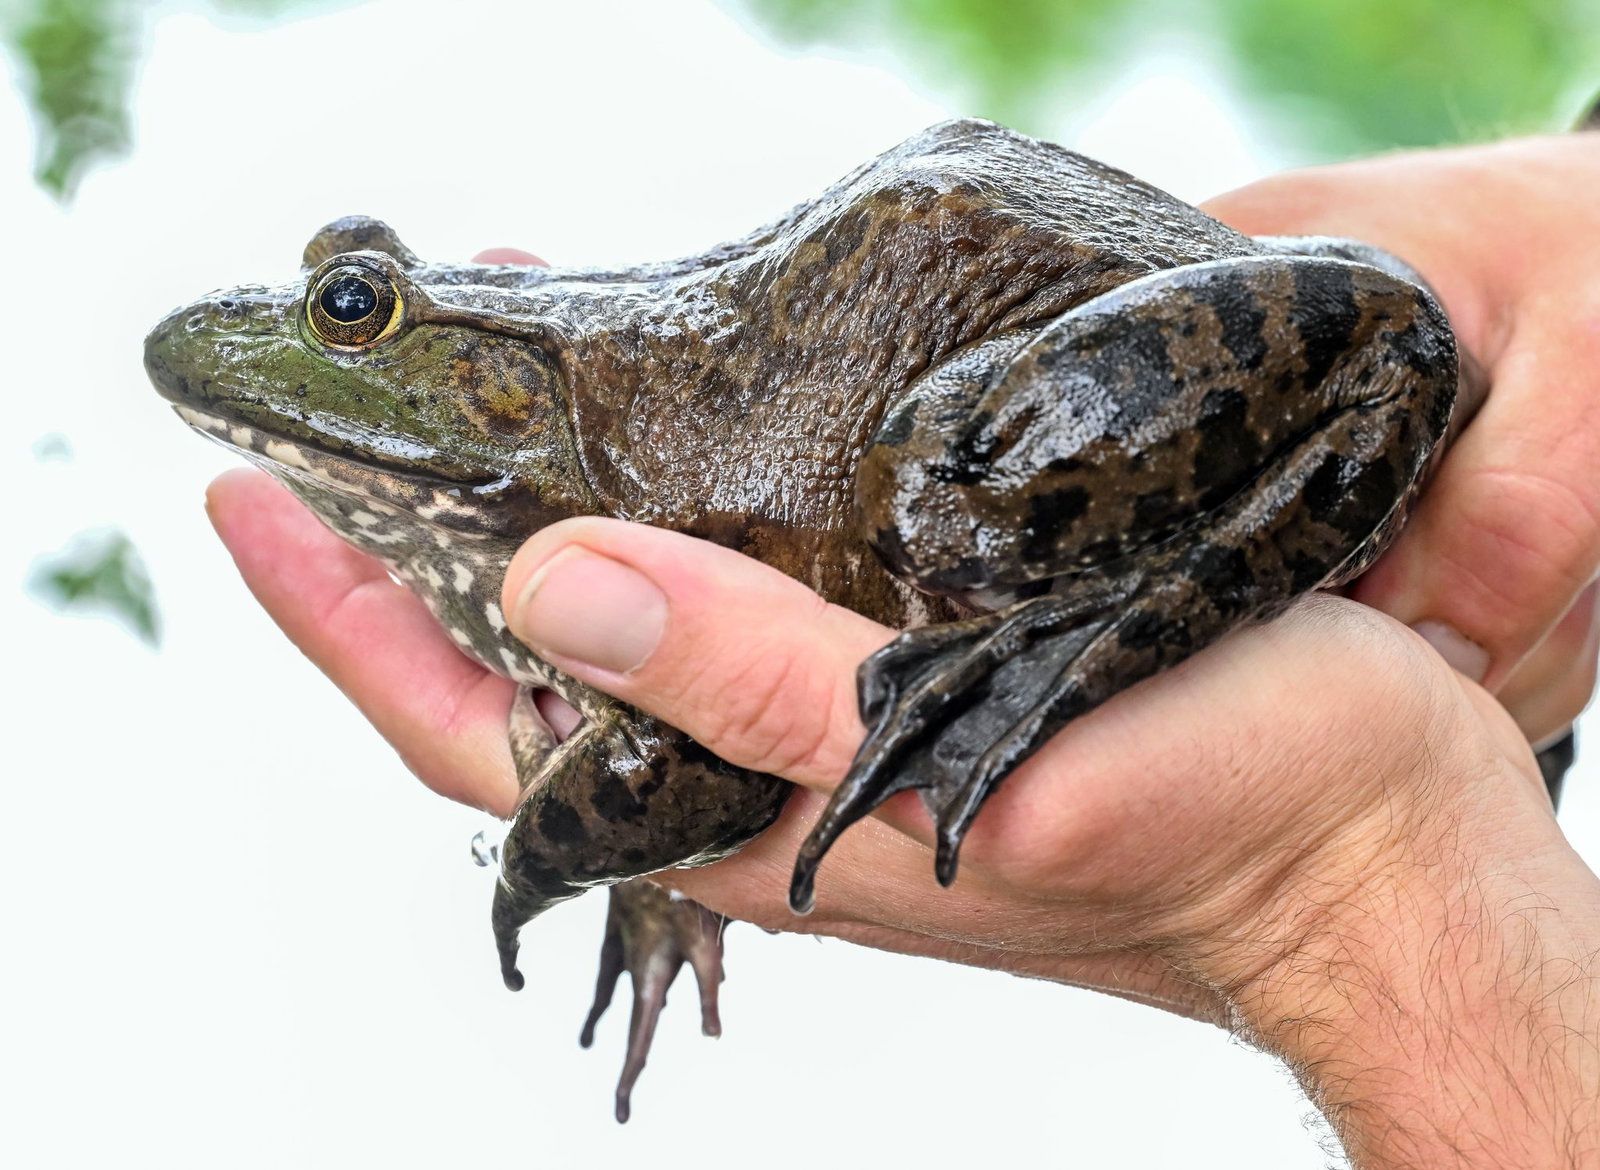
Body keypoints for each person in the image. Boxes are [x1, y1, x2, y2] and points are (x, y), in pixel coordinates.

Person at [205, 130, 1600, 1166]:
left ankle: (1105, 614)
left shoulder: (588, 535)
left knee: (944, 507)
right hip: (996, 271)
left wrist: (543, 849)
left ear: (485, 371)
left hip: (1006, 337)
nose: (310, 335)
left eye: (358, 317)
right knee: (941, 490)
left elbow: (715, 766)